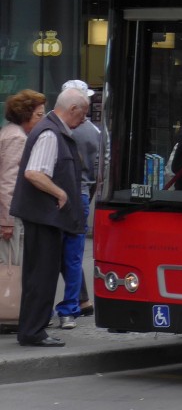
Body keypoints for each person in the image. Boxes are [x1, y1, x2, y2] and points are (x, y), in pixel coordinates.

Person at [9, 87, 90, 347]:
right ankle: (33, 331)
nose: (85, 119)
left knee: (40, 276)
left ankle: (33, 329)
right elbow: (34, 173)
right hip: (44, 217)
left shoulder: (52, 130)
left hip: (45, 217)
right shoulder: (50, 133)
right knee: (41, 276)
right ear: (73, 109)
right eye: (84, 113)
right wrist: (60, 193)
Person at [57, 81, 102, 322]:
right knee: (74, 255)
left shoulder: (57, 128)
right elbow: (100, 169)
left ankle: (70, 304)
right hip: (82, 193)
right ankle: (74, 304)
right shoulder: (94, 132)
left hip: (58, 196)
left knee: (55, 253)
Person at [0, 90, 47, 243]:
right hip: (9, 215)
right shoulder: (17, 137)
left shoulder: (9, 132)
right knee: (10, 263)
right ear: (25, 115)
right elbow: (9, 181)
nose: (43, 119)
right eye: (39, 115)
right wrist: (7, 221)